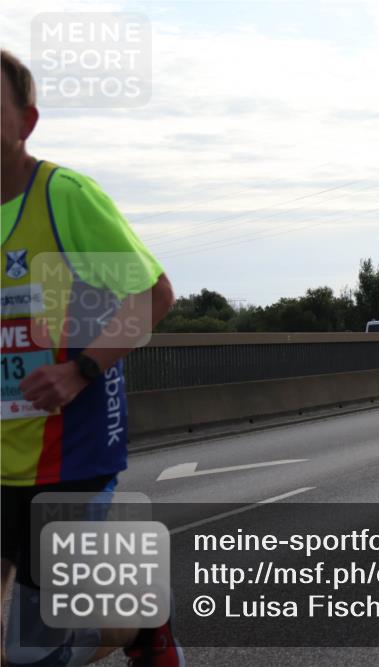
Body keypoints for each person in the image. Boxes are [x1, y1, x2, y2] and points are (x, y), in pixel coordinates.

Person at [0, 50, 179, 666]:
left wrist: (80, 369)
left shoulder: (64, 196)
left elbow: (153, 295)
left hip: (66, 455)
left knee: (35, 655)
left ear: (26, 121)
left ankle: (141, 627)